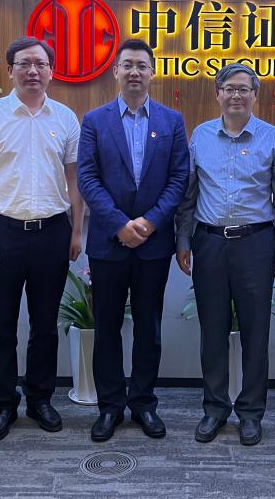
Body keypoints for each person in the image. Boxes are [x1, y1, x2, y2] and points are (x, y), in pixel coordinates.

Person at [0, 37, 84, 442]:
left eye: (41, 64)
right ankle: (3, 404)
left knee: (46, 325)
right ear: (10, 70)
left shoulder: (65, 118)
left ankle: (40, 399)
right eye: (25, 64)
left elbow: (74, 179)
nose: (33, 71)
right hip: (2, 232)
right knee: (1, 326)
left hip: (52, 232)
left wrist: (76, 230)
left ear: (51, 71)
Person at [175, 62, 275, 447]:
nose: (236, 95)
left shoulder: (274, 138)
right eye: (229, 88)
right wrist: (183, 240)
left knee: (255, 333)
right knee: (212, 331)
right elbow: (188, 196)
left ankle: (251, 412)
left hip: (256, 243)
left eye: (244, 89)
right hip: (209, 243)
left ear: (255, 95)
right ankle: (214, 408)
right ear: (218, 94)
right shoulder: (200, 136)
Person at [76, 39, 189, 442]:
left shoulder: (172, 121)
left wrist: (151, 222)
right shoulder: (95, 121)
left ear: (152, 72)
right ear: (116, 72)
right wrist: (120, 224)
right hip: (108, 243)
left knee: (149, 327)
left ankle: (143, 403)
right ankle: (110, 406)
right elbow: (87, 177)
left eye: (142, 65)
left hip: (153, 245)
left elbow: (179, 178)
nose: (135, 71)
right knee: (106, 328)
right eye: (128, 65)